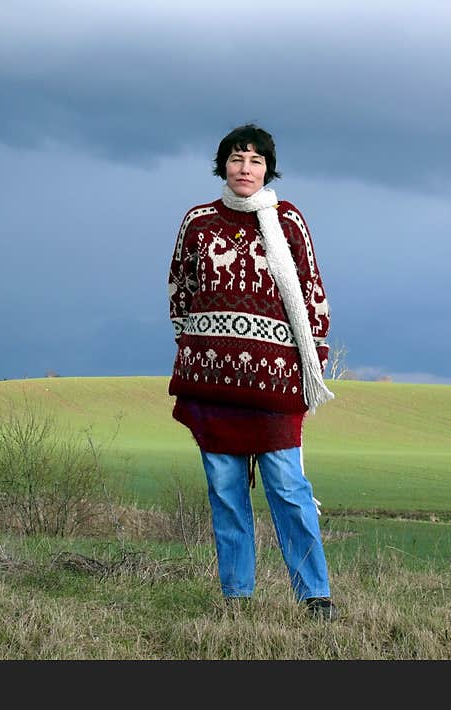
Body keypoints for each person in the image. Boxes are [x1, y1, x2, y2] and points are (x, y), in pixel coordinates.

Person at [167, 123, 337, 620]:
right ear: (223, 165)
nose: (246, 169)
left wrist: (312, 360)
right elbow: (180, 290)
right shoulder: (197, 222)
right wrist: (205, 347)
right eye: (237, 159)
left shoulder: (288, 221)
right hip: (214, 385)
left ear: (268, 168)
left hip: (274, 387)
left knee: (289, 489)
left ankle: (315, 596)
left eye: (256, 161)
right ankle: (237, 598)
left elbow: (311, 292)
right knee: (226, 494)